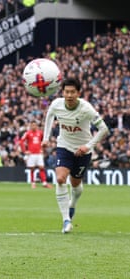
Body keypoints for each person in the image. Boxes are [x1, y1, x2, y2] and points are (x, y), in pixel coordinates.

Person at [42, 77, 109, 234]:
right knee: (60, 179)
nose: (69, 95)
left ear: (78, 93)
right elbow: (49, 116)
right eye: (66, 92)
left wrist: (88, 146)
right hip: (64, 147)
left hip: (83, 151)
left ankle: (73, 204)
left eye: (73, 92)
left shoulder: (87, 109)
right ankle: (66, 220)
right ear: (62, 92)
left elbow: (104, 129)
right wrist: (46, 138)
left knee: (76, 185)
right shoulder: (56, 104)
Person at [18, 120, 52, 189]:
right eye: (32, 125)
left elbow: (44, 141)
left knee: (41, 167)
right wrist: (25, 151)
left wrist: (43, 148)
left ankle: (44, 183)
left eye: (35, 125)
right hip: (31, 154)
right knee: (32, 169)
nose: (34, 126)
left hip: (39, 153)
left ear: (36, 126)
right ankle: (33, 183)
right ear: (30, 126)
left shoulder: (40, 133)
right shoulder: (28, 133)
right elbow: (21, 141)